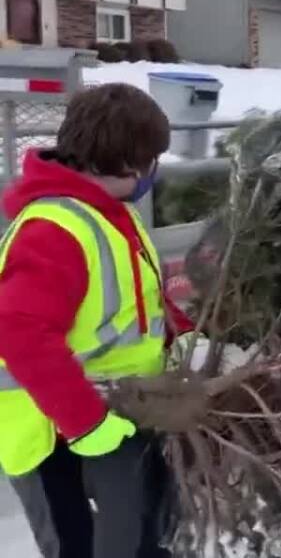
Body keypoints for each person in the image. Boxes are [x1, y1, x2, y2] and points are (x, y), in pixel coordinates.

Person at [0, 83, 193, 557]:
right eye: (153, 159)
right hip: (53, 433)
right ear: (131, 163)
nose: (155, 172)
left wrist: (186, 334)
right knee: (79, 547)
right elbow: (19, 331)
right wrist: (86, 424)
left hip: (117, 414)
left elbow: (133, 305)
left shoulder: (109, 215)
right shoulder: (54, 229)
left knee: (141, 542)